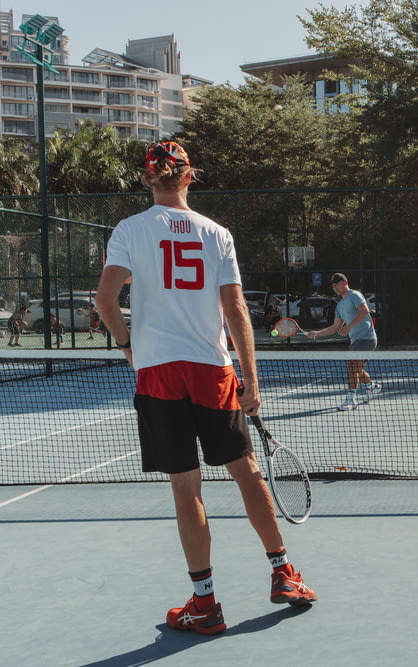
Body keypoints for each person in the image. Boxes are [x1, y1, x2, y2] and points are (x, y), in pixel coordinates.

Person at [95, 141, 317, 636]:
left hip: (159, 373)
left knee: (185, 486)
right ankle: (284, 574)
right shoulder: (217, 233)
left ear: (147, 179)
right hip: (213, 371)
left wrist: (129, 346)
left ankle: (205, 605)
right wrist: (252, 382)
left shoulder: (130, 229)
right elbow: (236, 311)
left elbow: (106, 301)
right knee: (248, 473)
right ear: (189, 175)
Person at [306, 272, 381, 410]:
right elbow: (335, 327)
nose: (335, 287)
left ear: (345, 283)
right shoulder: (340, 305)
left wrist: (348, 327)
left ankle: (351, 399)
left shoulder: (354, 295)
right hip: (355, 340)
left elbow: (365, 311)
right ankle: (372, 386)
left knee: (351, 365)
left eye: (337, 284)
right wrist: (317, 334)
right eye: (333, 285)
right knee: (356, 368)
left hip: (367, 338)